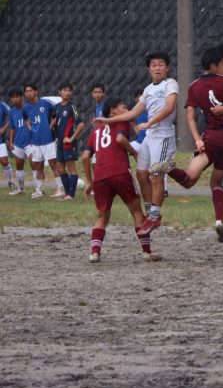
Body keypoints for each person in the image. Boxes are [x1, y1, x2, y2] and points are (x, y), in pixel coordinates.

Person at [162, 45, 223, 242]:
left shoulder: (194, 86)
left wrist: (197, 139)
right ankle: (219, 221)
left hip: (208, 139)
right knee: (218, 183)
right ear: (215, 65)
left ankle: (169, 169)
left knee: (189, 180)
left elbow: (190, 117)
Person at [96, 52, 179, 234]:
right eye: (154, 65)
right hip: (150, 136)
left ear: (167, 68)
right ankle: (151, 210)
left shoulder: (170, 84)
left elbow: (169, 107)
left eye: (161, 64)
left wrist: (150, 122)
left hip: (163, 135)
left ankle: (154, 216)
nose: (157, 68)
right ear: (149, 69)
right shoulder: (148, 89)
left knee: (156, 175)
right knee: (141, 174)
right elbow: (133, 113)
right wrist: (107, 120)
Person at [82, 97, 162, 263]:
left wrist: (89, 182)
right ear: (113, 111)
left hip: (100, 177)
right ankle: (147, 252)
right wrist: (134, 152)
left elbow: (85, 156)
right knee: (136, 211)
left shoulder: (96, 131)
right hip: (119, 173)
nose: (127, 111)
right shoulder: (121, 123)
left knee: (102, 216)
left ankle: (94, 253)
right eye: (124, 107)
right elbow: (120, 139)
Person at [22, 84, 59, 199]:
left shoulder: (45, 103)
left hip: (48, 139)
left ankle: (61, 188)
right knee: (38, 166)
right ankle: (39, 190)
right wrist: (30, 128)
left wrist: (51, 124)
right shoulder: (26, 108)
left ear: (36, 92)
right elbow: (26, 119)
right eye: (26, 91)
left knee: (53, 164)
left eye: (31, 90)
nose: (29, 93)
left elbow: (56, 113)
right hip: (35, 141)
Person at [54, 84, 86, 201]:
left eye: (69, 91)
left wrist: (71, 138)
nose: (67, 92)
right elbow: (54, 123)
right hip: (59, 143)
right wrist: (52, 125)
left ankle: (71, 195)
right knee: (60, 169)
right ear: (60, 92)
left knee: (71, 168)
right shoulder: (56, 107)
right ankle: (67, 193)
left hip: (69, 143)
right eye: (64, 90)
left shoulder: (71, 107)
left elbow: (81, 124)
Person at [6, 90, 30, 195]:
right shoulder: (12, 112)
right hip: (18, 142)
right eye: (12, 97)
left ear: (21, 97)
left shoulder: (28, 108)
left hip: (30, 142)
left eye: (17, 96)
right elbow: (12, 128)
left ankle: (39, 189)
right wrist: (11, 142)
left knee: (35, 165)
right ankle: (21, 189)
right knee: (19, 166)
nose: (15, 99)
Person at [0, 98, 11, 190]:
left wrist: (4, 128)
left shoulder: (2, 104)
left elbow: (13, 114)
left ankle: (10, 181)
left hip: (0, 139)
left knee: (4, 161)